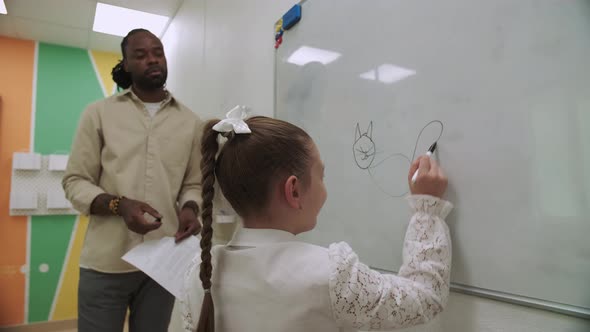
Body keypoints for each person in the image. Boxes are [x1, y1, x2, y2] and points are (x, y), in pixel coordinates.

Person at [180, 107, 452, 332]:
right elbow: (424, 297)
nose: (324, 187)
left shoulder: (202, 271)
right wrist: (426, 209)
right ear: (294, 190)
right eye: (321, 175)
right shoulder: (329, 275)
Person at [63, 28, 202, 332]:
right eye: (140, 55)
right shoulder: (98, 114)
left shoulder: (191, 122)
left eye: (158, 52)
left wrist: (191, 208)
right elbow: (75, 181)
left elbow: (193, 183)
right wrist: (119, 205)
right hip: (106, 263)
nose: (152, 59)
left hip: (162, 264)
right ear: (125, 64)